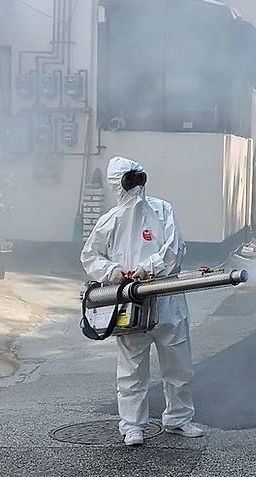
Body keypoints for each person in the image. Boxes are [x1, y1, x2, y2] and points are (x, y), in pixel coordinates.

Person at [80, 156, 203, 446]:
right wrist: (112, 272)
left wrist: (151, 267)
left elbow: (175, 247)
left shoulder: (162, 210)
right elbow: (89, 256)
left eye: (138, 179)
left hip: (167, 298)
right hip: (130, 302)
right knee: (132, 369)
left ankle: (179, 419)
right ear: (118, 184)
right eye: (129, 181)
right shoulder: (109, 221)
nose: (135, 187)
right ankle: (133, 425)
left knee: (178, 366)